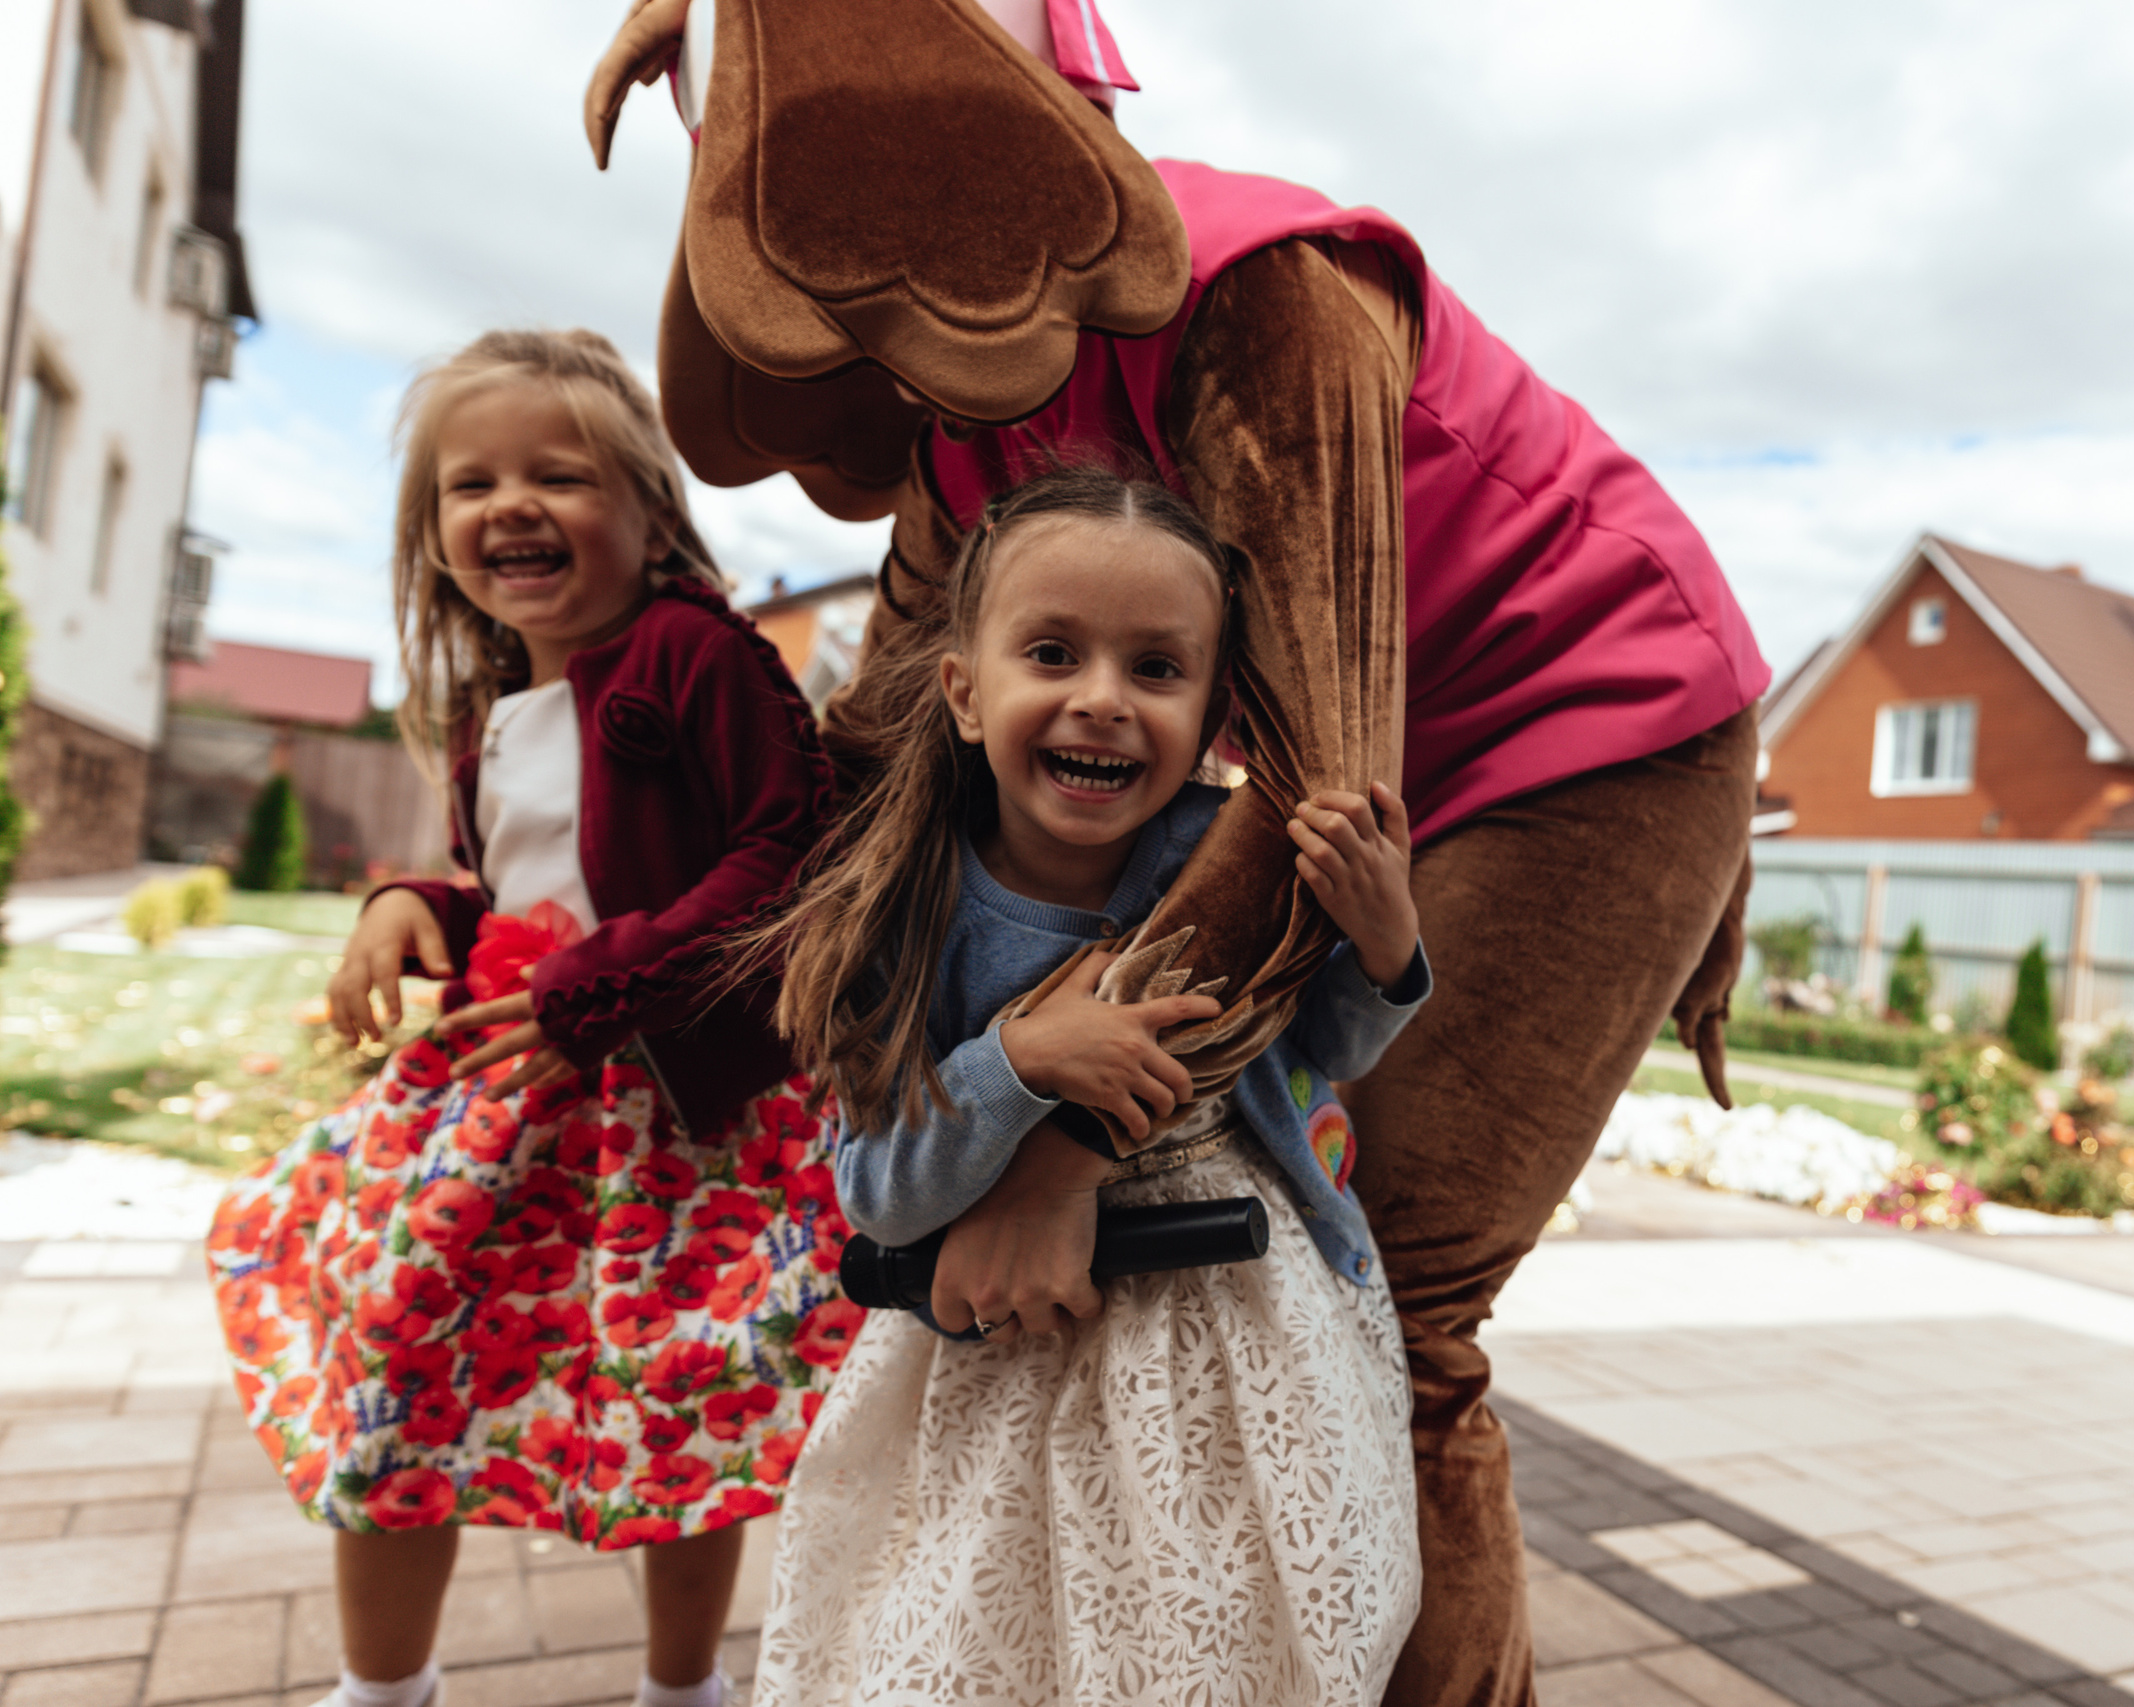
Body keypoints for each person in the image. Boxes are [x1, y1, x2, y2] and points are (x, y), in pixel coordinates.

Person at [587, 4, 1767, 1696]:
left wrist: (1056, 1154)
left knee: (1406, 1306)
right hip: (1346, 767)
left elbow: (1318, 784)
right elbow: (874, 754)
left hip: (1580, 725)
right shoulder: (959, 409)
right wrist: (657, 947)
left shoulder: (1262, 298)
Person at [205, 329, 856, 1707]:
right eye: (472, 483)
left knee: (678, 1402)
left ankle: (683, 1687)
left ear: (650, 515)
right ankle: (385, 1687)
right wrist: (414, 903)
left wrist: (604, 986)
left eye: (559, 476)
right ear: (431, 530)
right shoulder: (494, 699)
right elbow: (527, 887)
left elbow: (786, 850)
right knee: (396, 1362)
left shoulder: (695, 653)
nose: (512, 505)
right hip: (506, 1102)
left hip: (669, 1117)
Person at [750, 466, 1429, 1706]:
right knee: (991, 1634)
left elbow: (1317, 1052)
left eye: (1156, 668)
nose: (1103, 700)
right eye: (1053, 653)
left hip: (1233, 1322)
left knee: (1221, 1628)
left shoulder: (1237, 862)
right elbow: (880, 1193)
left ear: (1214, 711)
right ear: (966, 691)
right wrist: (1013, 1062)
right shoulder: (910, 910)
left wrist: (1384, 950)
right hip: (1012, 1352)